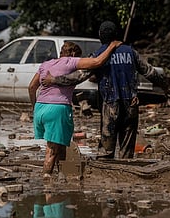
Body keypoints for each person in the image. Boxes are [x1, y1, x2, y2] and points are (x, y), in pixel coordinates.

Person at [42, 21, 170, 159]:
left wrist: (54, 80)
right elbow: (150, 72)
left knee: (106, 149)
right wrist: (166, 88)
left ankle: (106, 176)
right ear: (116, 35)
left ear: (100, 36)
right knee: (127, 148)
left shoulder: (98, 55)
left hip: (110, 105)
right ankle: (127, 174)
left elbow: (78, 77)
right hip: (131, 104)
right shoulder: (131, 52)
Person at [28, 40, 121, 178]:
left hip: (41, 107)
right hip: (57, 109)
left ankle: (62, 176)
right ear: (72, 53)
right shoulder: (70, 62)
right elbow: (97, 62)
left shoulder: (46, 64)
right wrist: (111, 46)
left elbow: (31, 87)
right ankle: (46, 181)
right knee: (52, 150)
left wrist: (35, 107)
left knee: (61, 143)